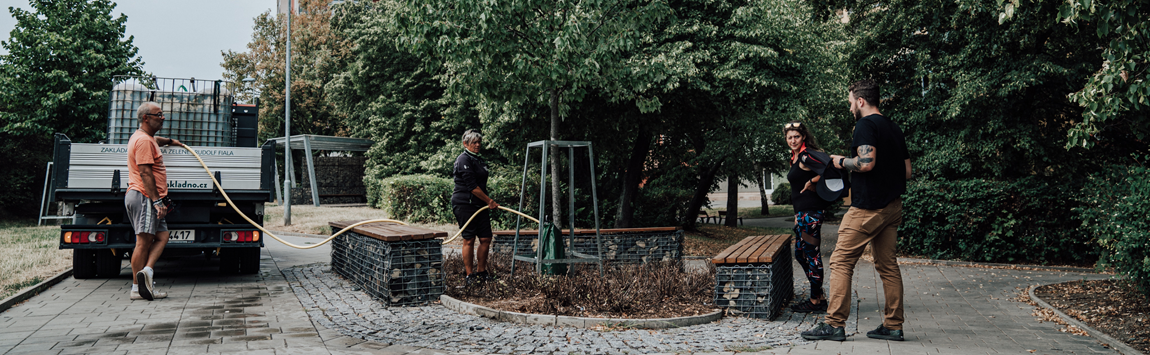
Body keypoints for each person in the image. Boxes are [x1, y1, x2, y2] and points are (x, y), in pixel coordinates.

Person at [802, 79, 912, 341]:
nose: (850, 106)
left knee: (840, 261)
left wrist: (840, 161)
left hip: (868, 207)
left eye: (851, 101)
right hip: (893, 206)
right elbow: (907, 172)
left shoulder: (865, 124)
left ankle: (834, 324)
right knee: (888, 266)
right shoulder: (893, 128)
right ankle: (893, 325)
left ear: (860, 101)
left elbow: (865, 164)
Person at [125, 102, 181, 301]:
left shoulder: (145, 137)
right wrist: (157, 202)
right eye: (159, 114)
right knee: (143, 242)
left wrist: (172, 141)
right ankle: (136, 288)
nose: (163, 117)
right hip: (145, 196)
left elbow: (156, 140)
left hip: (145, 196)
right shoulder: (144, 141)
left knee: (163, 235)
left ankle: (146, 273)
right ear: (145, 118)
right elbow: (145, 172)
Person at [783, 121, 833, 313]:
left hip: (812, 213)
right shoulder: (795, 157)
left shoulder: (806, 156)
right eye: (789, 137)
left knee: (811, 255)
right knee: (801, 254)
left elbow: (830, 168)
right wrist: (797, 214)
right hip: (803, 214)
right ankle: (818, 295)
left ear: (803, 137)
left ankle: (815, 301)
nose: (793, 140)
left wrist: (812, 181)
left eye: (796, 136)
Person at [451, 129, 500, 284]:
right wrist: (489, 201)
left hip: (480, 205)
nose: (478, 145)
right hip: (465, 204)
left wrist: (486, 201)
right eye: (474, 142)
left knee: (486, 238)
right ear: (465, 144)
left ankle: (481, 273)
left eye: (479, 142)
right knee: (469, 239)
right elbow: (472, 186)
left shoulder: (479, 160)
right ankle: (469, 275)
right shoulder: (463, 159)